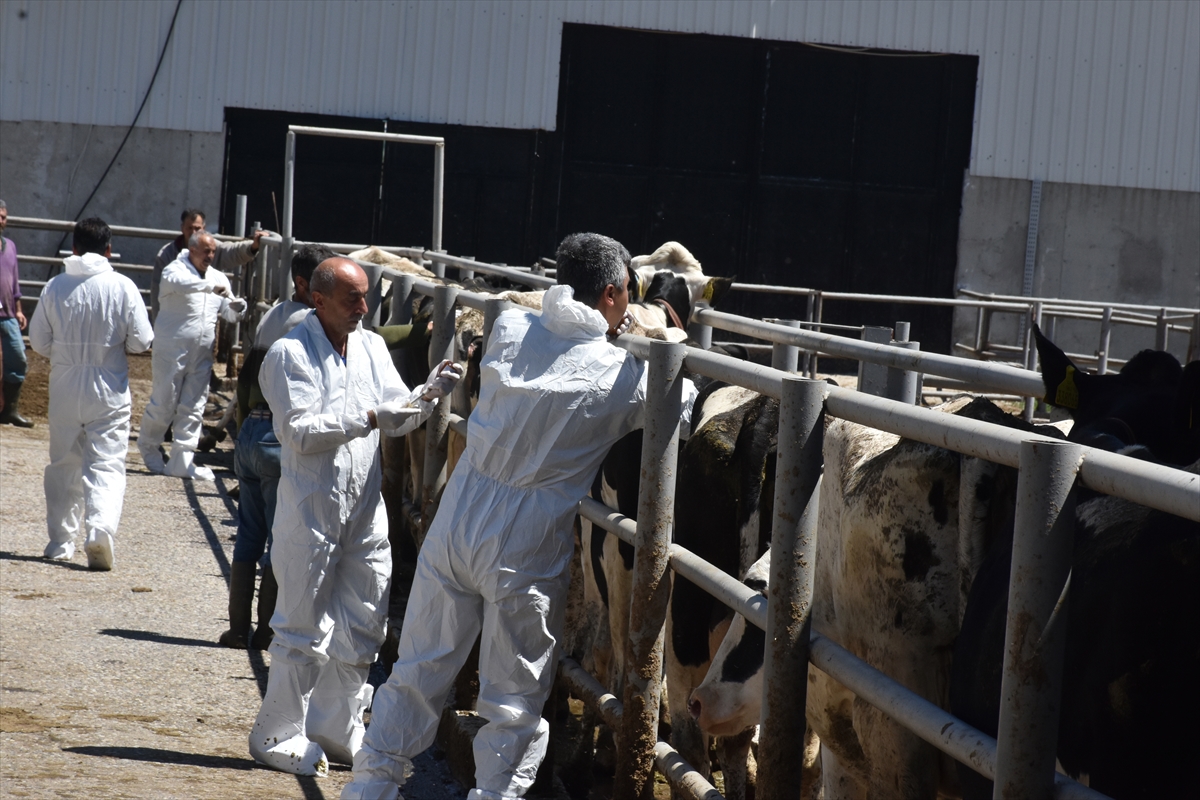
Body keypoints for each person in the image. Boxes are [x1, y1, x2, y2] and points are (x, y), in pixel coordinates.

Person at [341, 232, 697, 800]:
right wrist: (661, 338)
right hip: (527, 540)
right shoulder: (618, 376)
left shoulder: (508, 328)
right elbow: (680, 401)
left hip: (461, 510)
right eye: (627, 293)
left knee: (418, 669)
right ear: (611, 293)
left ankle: (370, 787)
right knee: (513, 699)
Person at [249, 258, 463, 775]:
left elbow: (395, 417)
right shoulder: (287, 354)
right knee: (302, 626)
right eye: (353, 299)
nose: (364, 308)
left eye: (366, 297)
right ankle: (275, 732)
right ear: (318, 300)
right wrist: (367, 418)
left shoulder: (369, 345)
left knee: (364, 622)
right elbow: (299, 432)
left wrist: (429, 394)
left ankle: (335, 726)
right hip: (311, 512)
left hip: (364, 510)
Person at [219, 243, 335, 650]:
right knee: (279, 536)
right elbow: (366, 337)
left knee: (249, 532)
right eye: (328, 282)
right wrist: (413, 333)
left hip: (251, 429)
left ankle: (236, 629)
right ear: (306, 284)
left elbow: (249, 377)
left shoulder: (273, 314)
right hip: (277, 436)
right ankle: (266, 629)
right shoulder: (311, 321)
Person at [28, 217, 154, 569]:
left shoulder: (55, 286)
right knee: (107, 463)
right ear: (109, 249)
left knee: (63, 462)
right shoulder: (123, 286)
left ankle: (59, 541)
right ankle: (99, 530)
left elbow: (38, 341)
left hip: (65, 383)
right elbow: (142, 340)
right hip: (108, 385)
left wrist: (66, 355)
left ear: (74, 248)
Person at [138, 231, 248, 480]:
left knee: (194, 405)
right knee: (165, 400)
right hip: (171, 349)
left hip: (201, 352)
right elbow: (181, 285)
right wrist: (209, 287)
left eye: (213, 252)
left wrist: (238, 309)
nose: (211, 256)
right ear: (192, 250)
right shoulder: (174, 270)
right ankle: (148, 446)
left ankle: (182, 459)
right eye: (206, 251)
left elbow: (228, 312)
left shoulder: (218, 277)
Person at [151, 209, 266, 320]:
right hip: (176, 319)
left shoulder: (213, 252)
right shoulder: (168, 256)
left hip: (204, 322)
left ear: (203, 228)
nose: (193, 232)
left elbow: (231, 251)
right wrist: (157, 323)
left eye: (197, 228)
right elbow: (159, 288)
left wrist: (253, 247)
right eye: (189, 228)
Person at [0, 200, 33, 427]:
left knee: (17, 358)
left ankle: (10, 410)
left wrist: (19, 310)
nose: (0, 220)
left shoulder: (9, 246)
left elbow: (15, 282)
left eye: (3, 216)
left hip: (8, 314)